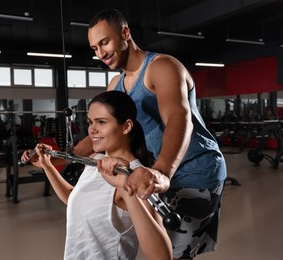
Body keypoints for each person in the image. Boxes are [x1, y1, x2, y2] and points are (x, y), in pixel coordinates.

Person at [72, 8, 227, 260]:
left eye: (104, 42)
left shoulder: (162, 67)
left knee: (170, 254)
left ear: (125, 33)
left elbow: (179, 117)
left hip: (194, 171)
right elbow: (104, 128)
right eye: (94, 48)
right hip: (154, 174)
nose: (100, 53)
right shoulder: (116, 85)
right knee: (153, 245)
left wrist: (161, 172)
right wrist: (64, 155)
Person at [23, 91, 172, 260]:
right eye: (90, 122)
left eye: (101, 122)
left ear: (126, 126)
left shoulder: (137, 177)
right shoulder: (96, 161)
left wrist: (125, 189)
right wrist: (47, 166)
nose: (92, 130)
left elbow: (162, 257)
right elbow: (75, 198)